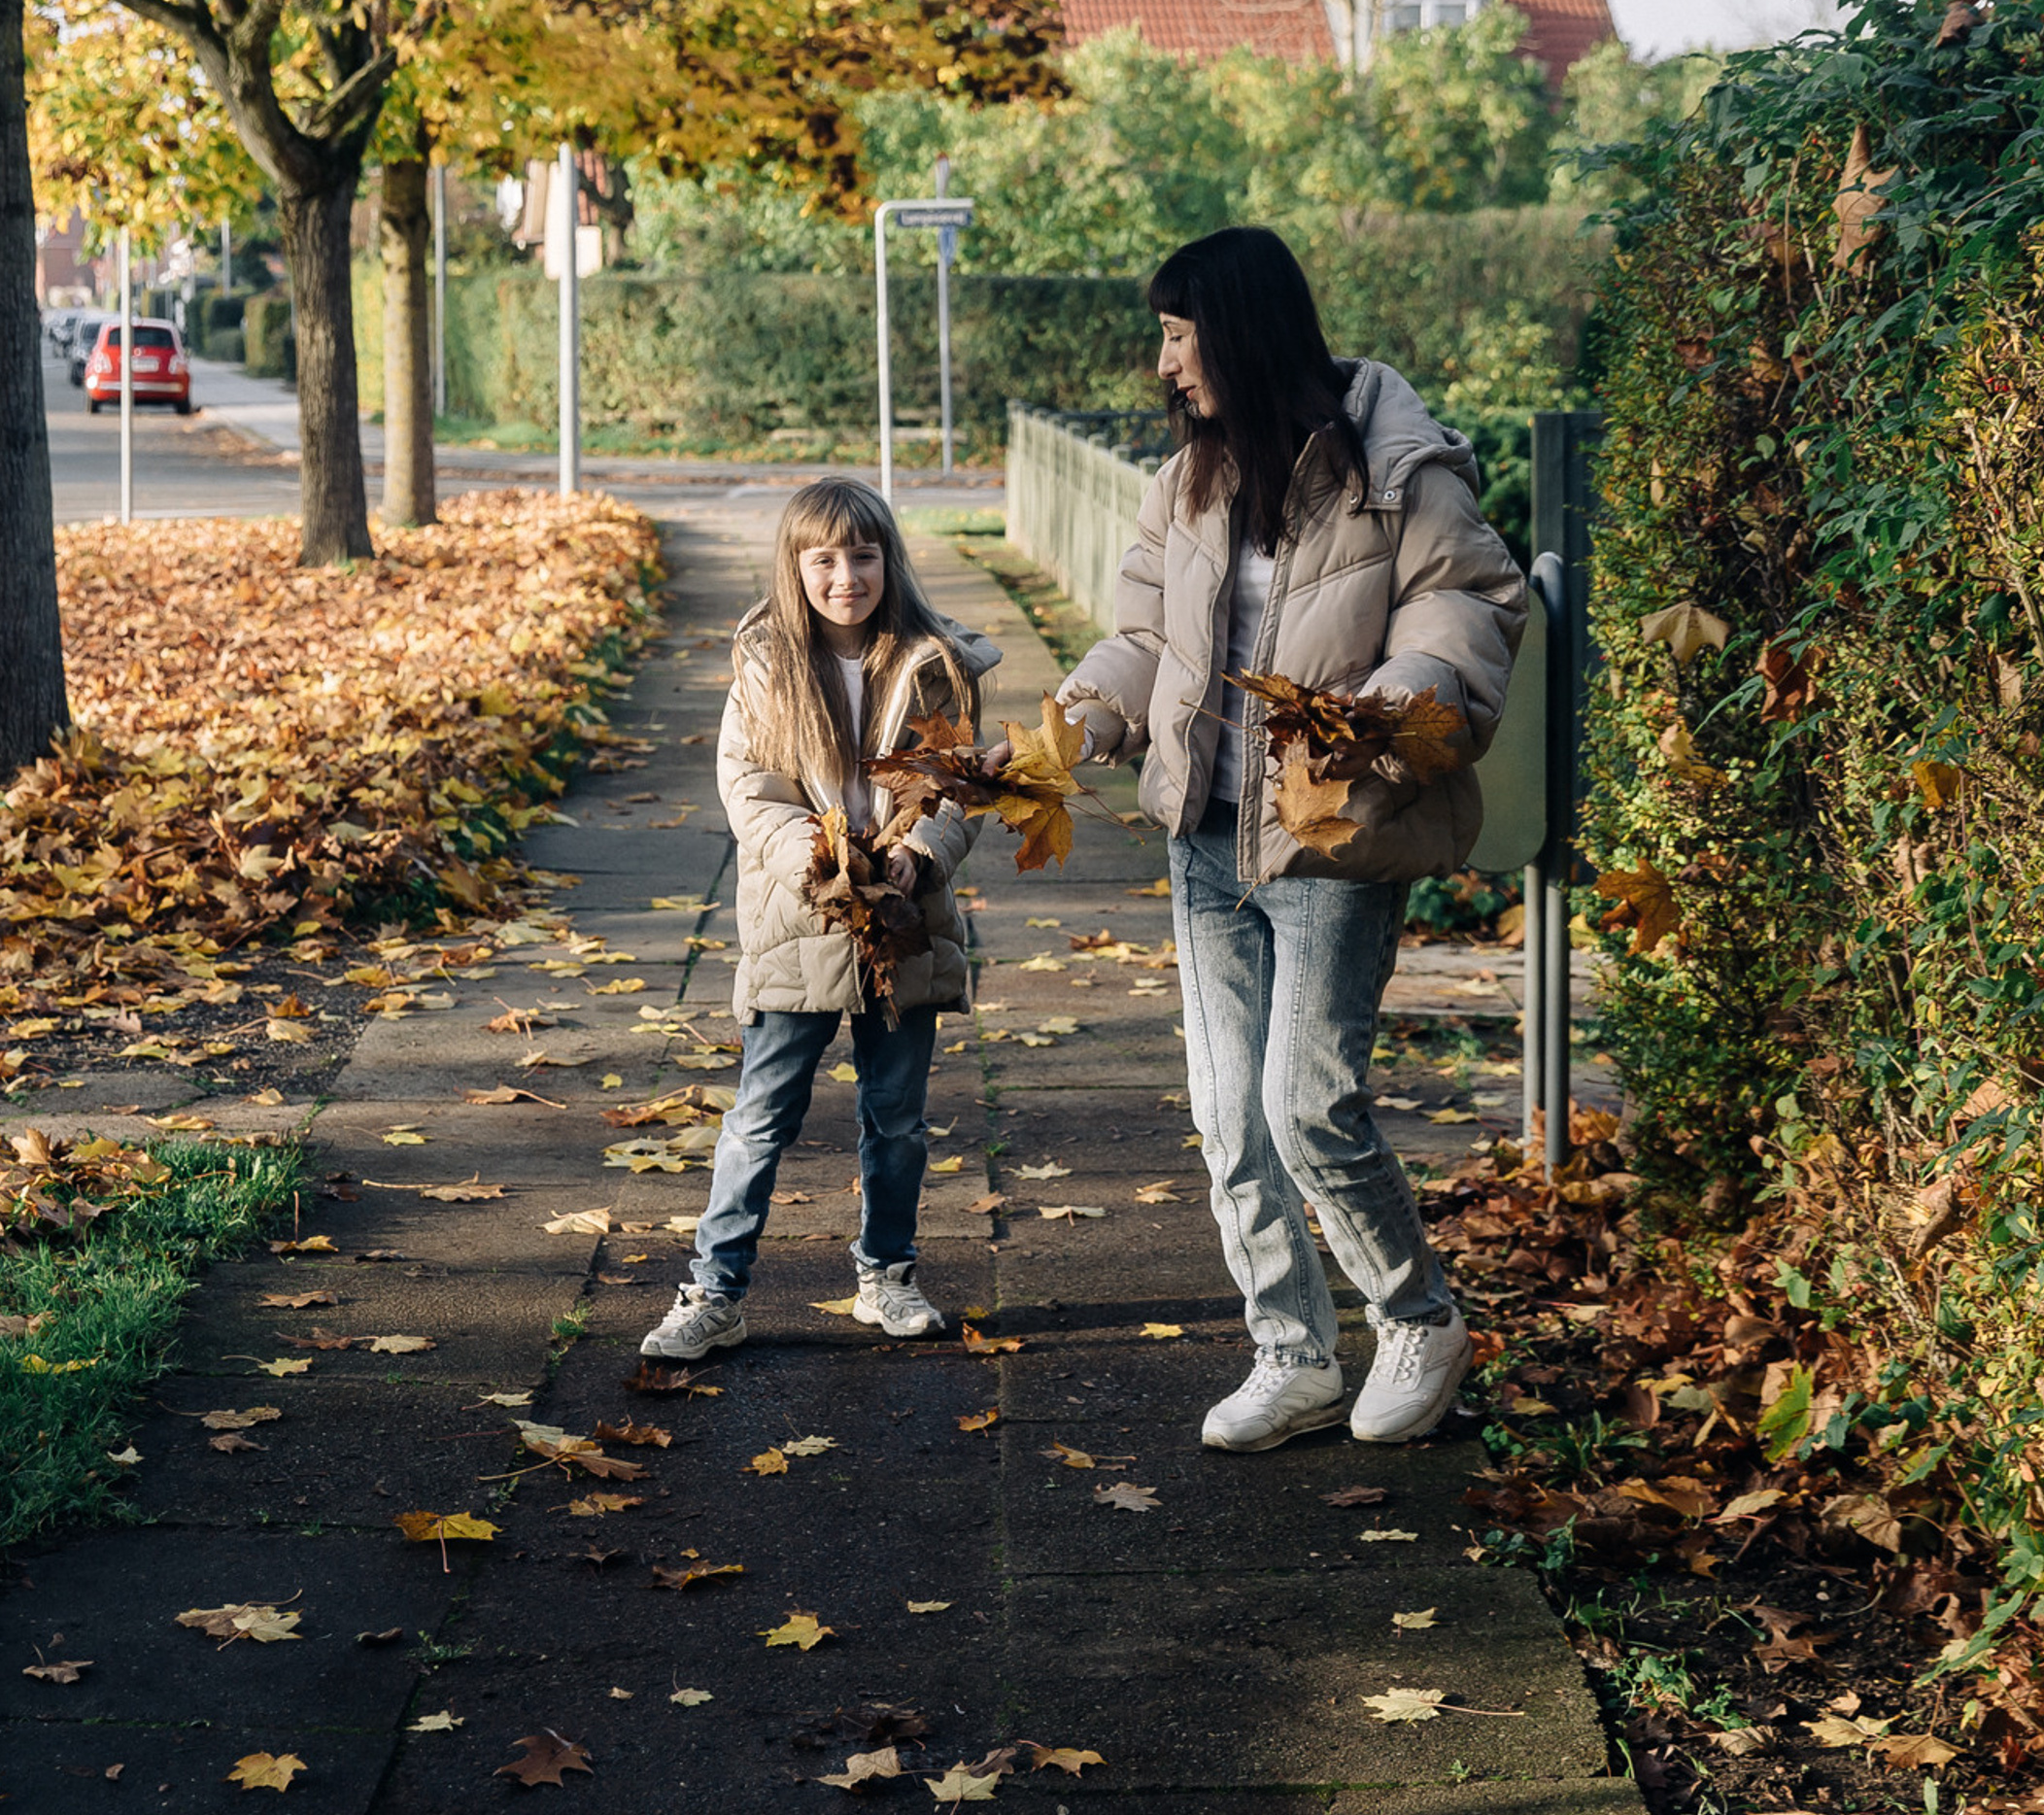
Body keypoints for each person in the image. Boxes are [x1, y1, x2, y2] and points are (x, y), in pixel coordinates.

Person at [1056, 228, 1526, 1451]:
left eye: (1177, 332)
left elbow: (1469, 606)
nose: (1163, 363)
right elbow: (1144, 631)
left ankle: (1417, 1316)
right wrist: (1088, 712)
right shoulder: (1188, 480)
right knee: (1228, 1117)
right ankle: (1291, 1353)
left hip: (1330, 842)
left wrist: (1391, 700)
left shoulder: (1398, 472)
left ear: (1242, 329)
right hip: (1204, 841)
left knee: (1305, 1102)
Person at [643, 479, 1003, 1360]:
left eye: (864, 557)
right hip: (797, 914)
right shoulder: (766, 664)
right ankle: (715, 1289)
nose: (846, 577)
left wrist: (922, 852)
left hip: (904, 918)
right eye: (825, 560)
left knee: (896, 1115)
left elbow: (955, 789)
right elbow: (750, 788)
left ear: (890, 560)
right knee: (762, 1112)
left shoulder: (934, 662)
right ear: (796, 566)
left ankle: (888, 1274)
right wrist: (820, 853)